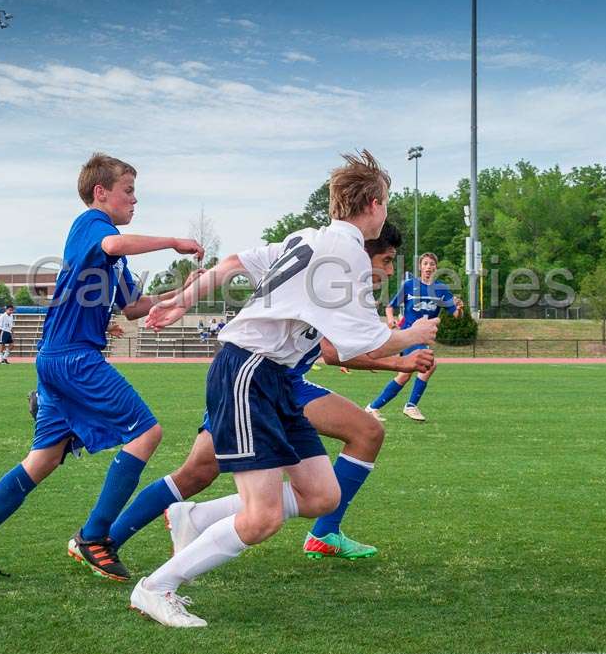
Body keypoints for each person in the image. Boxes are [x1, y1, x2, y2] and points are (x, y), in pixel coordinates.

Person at [128, 151, 440, 628]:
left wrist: (181, 302)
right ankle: (156, 587)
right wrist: (413, 337)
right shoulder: (351, 253)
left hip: (272, 376)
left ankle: (194, 517)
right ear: (374, 204)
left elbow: (233, 261)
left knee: (321, 495)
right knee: (262, 518)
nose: (386, 213)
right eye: (387, 203)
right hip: (250, 371)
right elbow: (364, 339)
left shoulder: (307, 238)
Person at [0, 152, 203, 584]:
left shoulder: (114, 258)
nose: (135, 201)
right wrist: (173, 241)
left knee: (41, 460)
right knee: (147, 432)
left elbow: (134, 309)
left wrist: (181, 291)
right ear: (101, 193)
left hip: (60, 359)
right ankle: (94, 536)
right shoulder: (92, 227)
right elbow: (115, 243)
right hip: (72, 357)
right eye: (129, 191)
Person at [107, 221, 431, 567]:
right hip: (264, 380)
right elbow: (332, 350)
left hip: (268, 378)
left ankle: (323, 531)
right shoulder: (335, 273)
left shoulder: (326, 263)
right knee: (199, 473)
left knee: (201, 471)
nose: (389, 270)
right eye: (386, 260)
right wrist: (403, 360)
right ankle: (107, 539)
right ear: (362, 253)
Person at [366, 252, 463, 423]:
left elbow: (456, 315)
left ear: (436, 268)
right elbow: (390, 307)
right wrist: (390, 320)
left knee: (404, 375)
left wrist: (460, 307)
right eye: (425, 264)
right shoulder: (410, 285)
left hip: (424, 337)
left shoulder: (441, 289)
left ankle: (372, 408)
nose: (428, 267)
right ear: (420, 267)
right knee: (430, 364)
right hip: (408, 335)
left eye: (431, 264)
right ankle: (410, 405)